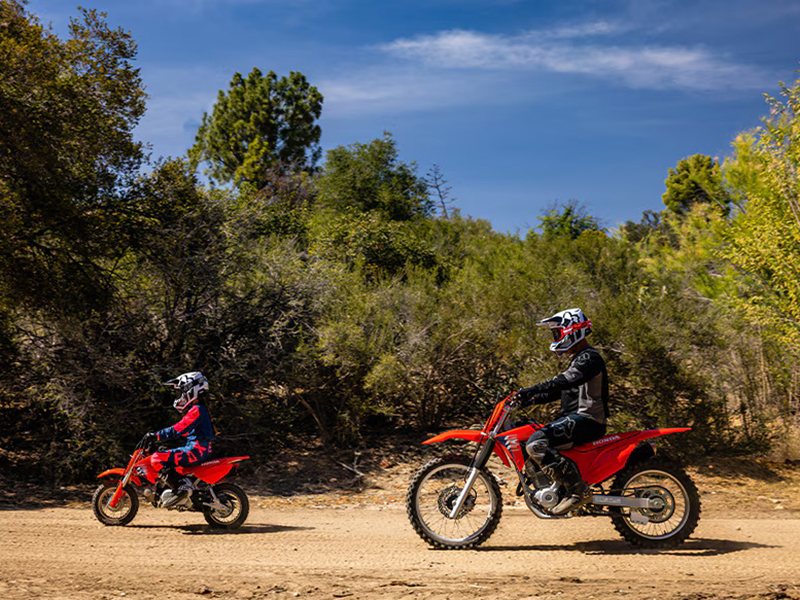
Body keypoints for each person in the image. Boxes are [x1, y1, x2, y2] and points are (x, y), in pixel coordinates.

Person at [513, 308, 609, 515]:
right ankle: (556, 486)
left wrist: (532, 388)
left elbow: (564, 381)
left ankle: (576, 491)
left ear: (572, 330)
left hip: (588, 420)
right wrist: (528, 399)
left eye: (558, 332)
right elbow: (562, 392)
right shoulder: (580, 359)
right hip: (577, 419)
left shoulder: (588, 358)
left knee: (536, 443)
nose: (556, 337)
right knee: (525, 436)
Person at [142, 371, 216, 508]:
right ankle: (175, 488)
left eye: (181, 391)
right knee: (164, 453)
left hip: (196, 450)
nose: (179, 396)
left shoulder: (197, 409)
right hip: (197, 448)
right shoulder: (198, 409)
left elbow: (179, 428)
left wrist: (156, 435)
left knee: (157, 458)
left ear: (191, 390)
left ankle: (181, 488)